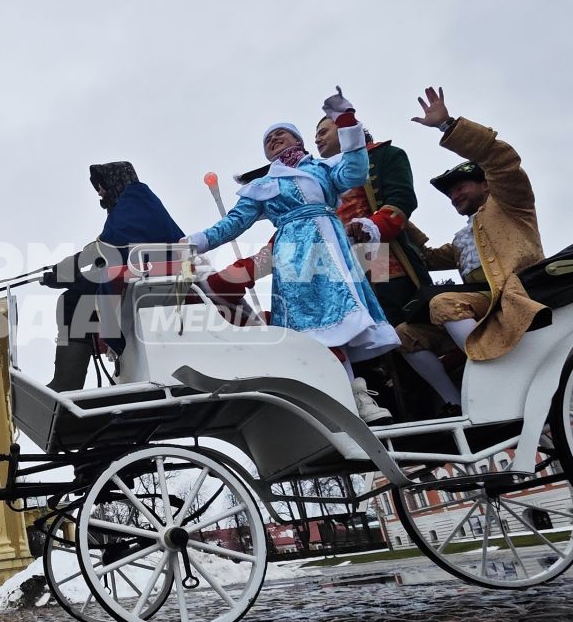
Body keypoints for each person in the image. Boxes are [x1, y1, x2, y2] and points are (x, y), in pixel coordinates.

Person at [182, 92, 398, 420]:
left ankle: (353, 394)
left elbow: (355, 172)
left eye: (281, 133)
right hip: (295, 253)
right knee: (314, 325)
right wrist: (194, 243)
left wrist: (346, 120)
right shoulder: (263, 185)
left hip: (333, 247)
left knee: (336, 321)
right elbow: (232, 224)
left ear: (297, 139)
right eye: (268, 139)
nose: (274, 139)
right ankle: (349, 397)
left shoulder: (323, 169)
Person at [316, 113, 460, 410]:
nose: (317, 139)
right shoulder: (319, 176)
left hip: (379, 254)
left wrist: (369, 227)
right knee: (364, 352)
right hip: (341, 268)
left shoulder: (385, 155)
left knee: (395, 335)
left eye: (323, 131)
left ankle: (440, 408)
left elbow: (402, 199)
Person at [412, 87, 546, 362]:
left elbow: (502, 161)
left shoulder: (511, 204)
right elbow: (423, 258)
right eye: (450, 194)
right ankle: (452, 403)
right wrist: (387, 219)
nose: (454, 196)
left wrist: (446, 125)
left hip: (516, 296)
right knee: (405, 333)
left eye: (460, 187)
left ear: (486, 184)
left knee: (444, 303)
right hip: (480, 304)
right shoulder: (463, 237)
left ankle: (490, 369)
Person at [43, 161, 185, 392]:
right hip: (143, 273)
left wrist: (68, 271)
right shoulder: (137, 203)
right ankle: (70, 377)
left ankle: (67, 381)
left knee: (72, 301)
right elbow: (110, 252)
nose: (99, 192)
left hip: (148, 275)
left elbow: (105, 249)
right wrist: (67, 271)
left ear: (115, 180)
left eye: (101, 186)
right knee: (78, 293)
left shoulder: (133, 201)